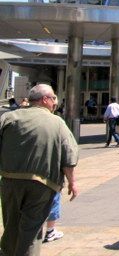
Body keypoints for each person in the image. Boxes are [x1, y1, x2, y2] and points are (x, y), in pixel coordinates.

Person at [0, 83, 79, 256]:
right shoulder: (57, 122)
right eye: (53, 99)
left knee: (11, 225)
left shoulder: (9, 117)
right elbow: (69, 155)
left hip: (10, 180)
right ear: (44, 99)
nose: (54, 104)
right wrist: (72, 182)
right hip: (42, 183)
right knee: (31, 229)